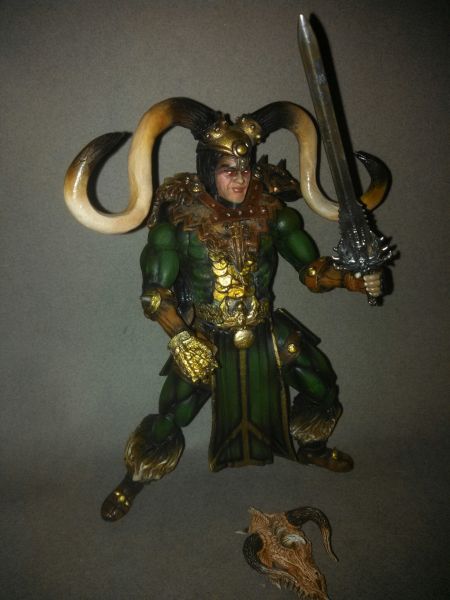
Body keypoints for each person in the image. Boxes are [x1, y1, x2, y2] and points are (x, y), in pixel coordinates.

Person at [63, 98, 385, 522]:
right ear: (207, 170)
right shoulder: (179, 220)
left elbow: (311, 272)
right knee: (172, 414)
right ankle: (135, 478)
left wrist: (352, 280)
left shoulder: (272, 212)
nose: (240, 178)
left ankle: (312, 446)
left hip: (265, 328)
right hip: (206, 337)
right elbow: (155, 295)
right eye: (228, 169)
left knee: (321, 382)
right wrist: (181, 338)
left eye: (246, 168)